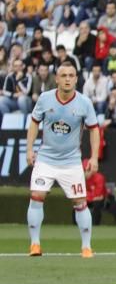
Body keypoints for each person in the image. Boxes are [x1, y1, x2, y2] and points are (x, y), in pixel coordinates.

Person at [25, 61, 101, 257]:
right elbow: (34, 124)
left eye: (71, 75)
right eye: (64, 75)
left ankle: (86, 246)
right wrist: (29, 150)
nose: (67, 79)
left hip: (71, 161)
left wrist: (93, 157)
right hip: (46, 159)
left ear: (76, 79)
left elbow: (94, 130)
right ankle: (35, 244)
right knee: (37, 196)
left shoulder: (84, 103)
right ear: (56, 79)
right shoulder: (45, 99)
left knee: (79, 201)